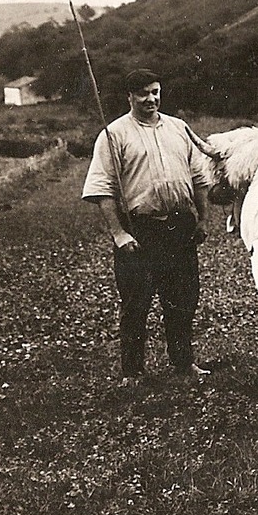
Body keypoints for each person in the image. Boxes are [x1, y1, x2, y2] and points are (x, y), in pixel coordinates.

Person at [81, 68, 214, 386]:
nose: (151, 99)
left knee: (183, 299)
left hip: (180, 228)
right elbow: (103, 189)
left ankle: (183, 364)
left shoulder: (179, 128)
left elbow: (199, 178)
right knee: (136, 303)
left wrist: (202, 219)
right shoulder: (114, 135)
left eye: (155, 91)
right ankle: (133, 372)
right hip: (140, 232)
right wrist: (119, 233)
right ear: (129, 97)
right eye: (143, 93)